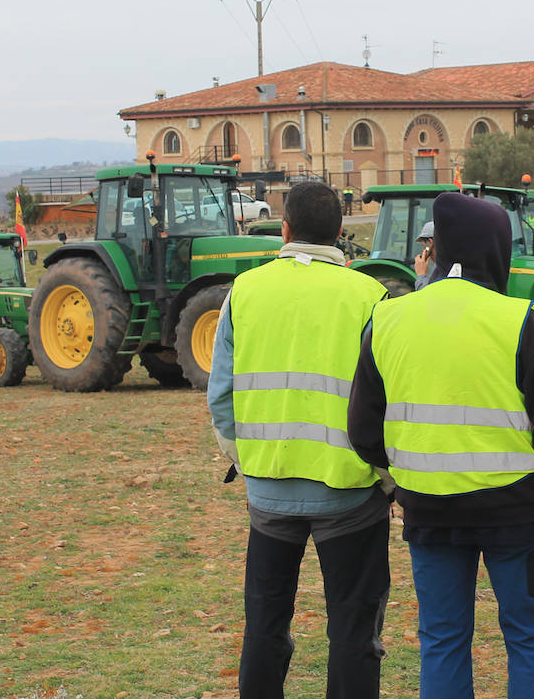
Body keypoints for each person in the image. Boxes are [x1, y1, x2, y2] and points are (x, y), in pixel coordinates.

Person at [348, 192, 534, 699]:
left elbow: (363, 434)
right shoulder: (520, 321)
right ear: (497, 251)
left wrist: (411, 468)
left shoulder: (388, 319)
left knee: (442, 640)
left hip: (429, 511)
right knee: (531, 639)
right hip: (517, 513)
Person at [207, 181, 392, 699]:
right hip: (351, 496)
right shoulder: (369, 296)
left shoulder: (243, 291)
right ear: (341, 233)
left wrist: (249, 461)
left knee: (264, 627)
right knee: (355, 634)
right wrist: (387, 479)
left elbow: (220, 396)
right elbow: (386, 401)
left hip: (267, 492)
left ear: (284, 230)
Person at [413, 220, 437, 290]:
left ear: (430, 242)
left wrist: (421, 275)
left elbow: (429, 297)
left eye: (424, 246)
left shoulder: (440, 269)